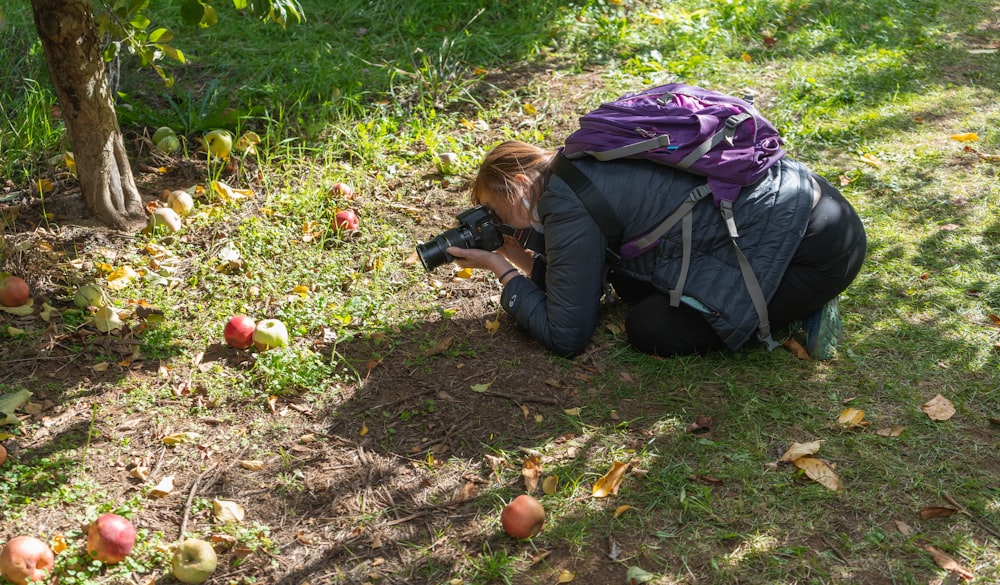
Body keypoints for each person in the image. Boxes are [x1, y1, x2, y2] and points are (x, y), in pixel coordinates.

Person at [447, 140, 867, 359]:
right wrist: (520, 256)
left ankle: (804, 304)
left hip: (812, 253)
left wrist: (502, 270)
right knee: (629, 283)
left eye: (493, 208)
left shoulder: (563, 203)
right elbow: (582, 280)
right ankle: (787, 293)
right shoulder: (574, 163)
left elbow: (567, 336)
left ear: (520, 188)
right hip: (812, 207)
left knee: (651, 327)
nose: (495, 220)